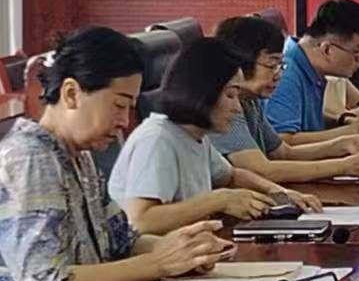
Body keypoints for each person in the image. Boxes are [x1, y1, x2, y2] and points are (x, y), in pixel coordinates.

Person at [0, 26, 231, 281]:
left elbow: (121, 240)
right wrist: (158, 262)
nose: (124, 122)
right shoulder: (29, 159)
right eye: (119, 105)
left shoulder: (79, 156)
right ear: (72, 93)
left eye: (130, 108)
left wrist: (185, 250)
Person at [111, 37, 315, 234]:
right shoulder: (157, 139)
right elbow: (141, 221)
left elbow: (231, 176)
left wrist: (279, 193)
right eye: (230, 95)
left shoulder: (195, 136)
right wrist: (220, 200)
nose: (237, 108)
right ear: (203, 91)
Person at [212, 15, 359, 184]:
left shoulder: (249, 100)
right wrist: (343, 166)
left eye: (280, 65)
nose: (278, 74)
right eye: (272, 65)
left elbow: (282, 153)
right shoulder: (222, 106)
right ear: (241, 62)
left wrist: (344, 144)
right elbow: (262, 170)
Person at [265, 0, 359, 137]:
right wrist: (354, 130)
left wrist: (341, 121)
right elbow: (283, 140)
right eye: (357, 51)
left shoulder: (308, 63)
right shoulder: (285, 74)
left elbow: (303, 122)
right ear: (327, 50)